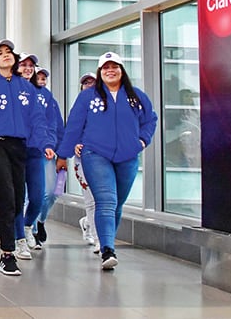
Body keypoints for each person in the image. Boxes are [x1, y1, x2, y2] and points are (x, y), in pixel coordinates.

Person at [59, 52, 157, 270]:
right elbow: (74, 124)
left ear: (122, 71)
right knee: (106, 201)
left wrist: (142, 141)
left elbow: (150, 120)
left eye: (115, 67)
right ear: (100, 72)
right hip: (95, 154)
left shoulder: (136, 96)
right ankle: (107, 250)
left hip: (127, 156)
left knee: (117, 204)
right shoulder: (88, 97)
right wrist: (63, 155)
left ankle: (107, 240)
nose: (110, 71)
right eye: (105, 68)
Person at [0, 39, 51, 277]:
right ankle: (7, 255)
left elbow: (37, 119)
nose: (6, 56)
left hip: (18, 146)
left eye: (9, 52)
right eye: (0, 53)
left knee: (17, 199)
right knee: (7, 198)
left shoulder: (27, 88)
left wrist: (45, 143)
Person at [10, 52, 56, 261]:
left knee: (38, 197)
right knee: (18, 198)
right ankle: (19, 239)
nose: (28, 68)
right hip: (14, 150)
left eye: (31, 65)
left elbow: (49, 121)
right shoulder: (9, 87)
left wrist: (48, 143)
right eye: (24, 65)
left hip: (36, 151)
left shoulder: (43, 94)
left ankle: (28, 226)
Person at [32, 66, 65, 249]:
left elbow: (58, 126)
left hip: (48, 152)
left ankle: (40, 220)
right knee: (32, 195)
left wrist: (61, 152)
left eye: (45, 77)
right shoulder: (24, 94)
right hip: (29, 151)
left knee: (51, 193)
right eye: (40, 76)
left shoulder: (49, 99)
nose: (42, 80)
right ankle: (32, 229)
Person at [73, 72, 101, 250]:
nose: (89, 85)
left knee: (104, 200)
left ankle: (88, 223)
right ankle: (100, 241)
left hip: (104, 158)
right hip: (82, 159)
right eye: (86, 83)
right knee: (91, 200)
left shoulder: (108, 105)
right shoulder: (79, 106)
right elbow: (71, 129)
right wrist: (74, 144)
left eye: (93, 82)